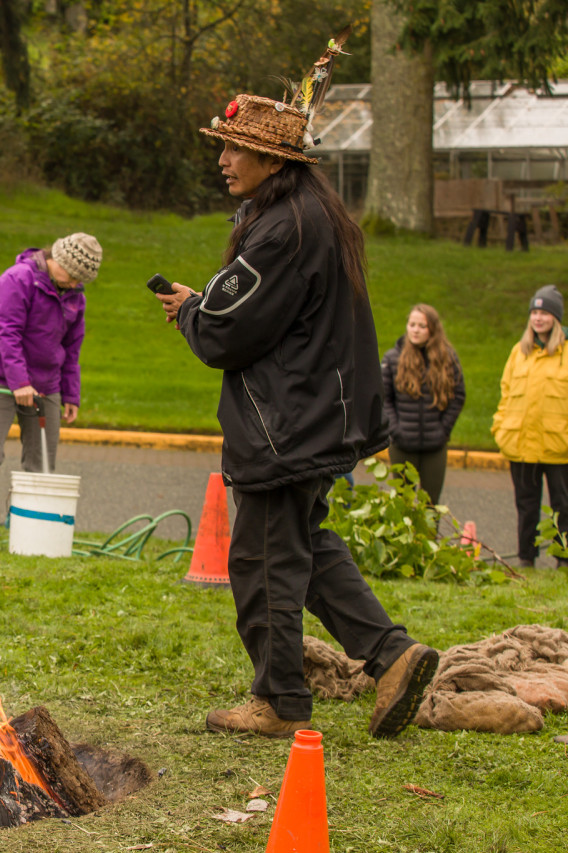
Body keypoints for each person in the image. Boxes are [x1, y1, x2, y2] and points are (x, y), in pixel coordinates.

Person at [154, 83, 438, 739]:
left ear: (275, 160)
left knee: (260, 563)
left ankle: (280, 698)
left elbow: (228, 332)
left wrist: (193, 310)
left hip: (285, 427)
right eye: (224, 147)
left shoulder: (281, 229)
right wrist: (207, 305)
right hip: (315, 418)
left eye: (236, 149)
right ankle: (393, 656)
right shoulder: (312, 214)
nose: (224, 159)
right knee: (306, 549)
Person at [0, 233, 100, 551]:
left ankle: (27, 529)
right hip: (1, 378)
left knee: (42, 465)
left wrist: (70, 395)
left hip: (47, 385)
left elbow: (72, 348)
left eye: (82, 280)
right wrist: (18, 382)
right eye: (72, 275)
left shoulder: (75, 294)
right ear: (58, 261)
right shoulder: (18, 279)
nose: (75, 283)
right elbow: (6, 332)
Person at [492, 285, 568, 568]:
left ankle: (564, 560)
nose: (538, 318)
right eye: (534, 312)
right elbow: (506, 393)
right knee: (526, 508)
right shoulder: (518, 352)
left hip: (560, 447)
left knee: (563, 507)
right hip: (521, 445)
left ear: (555, 318)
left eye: (544, 313)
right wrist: (500, 429)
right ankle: (526, 560)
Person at [381, 304, 466, 506]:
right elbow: (384, 399)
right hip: (402, 443)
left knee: (430, 504)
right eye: (412, 324)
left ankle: (429, 538)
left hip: (434, 445)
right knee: (404, 503)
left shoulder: (448, 358)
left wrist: (443, 430)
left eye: (422, 325)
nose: (415, 330)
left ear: (433, 330)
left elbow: (458, 396)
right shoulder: (393, 358)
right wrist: (395, 430)